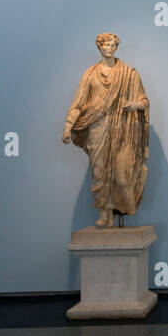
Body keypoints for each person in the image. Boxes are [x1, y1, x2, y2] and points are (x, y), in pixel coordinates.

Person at [62, 33, 149, 227]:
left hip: (122, 131)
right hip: (97, 129)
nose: (110, 48)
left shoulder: (129, 74)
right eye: (106, 44)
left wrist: (135, 104)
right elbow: (78, 104)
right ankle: (104, 214)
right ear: (99, 47)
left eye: (113, 44)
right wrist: (68, 126)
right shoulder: (90, 74)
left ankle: (120, 208)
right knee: (99, 172)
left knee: (122, 174)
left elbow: (144, 101)